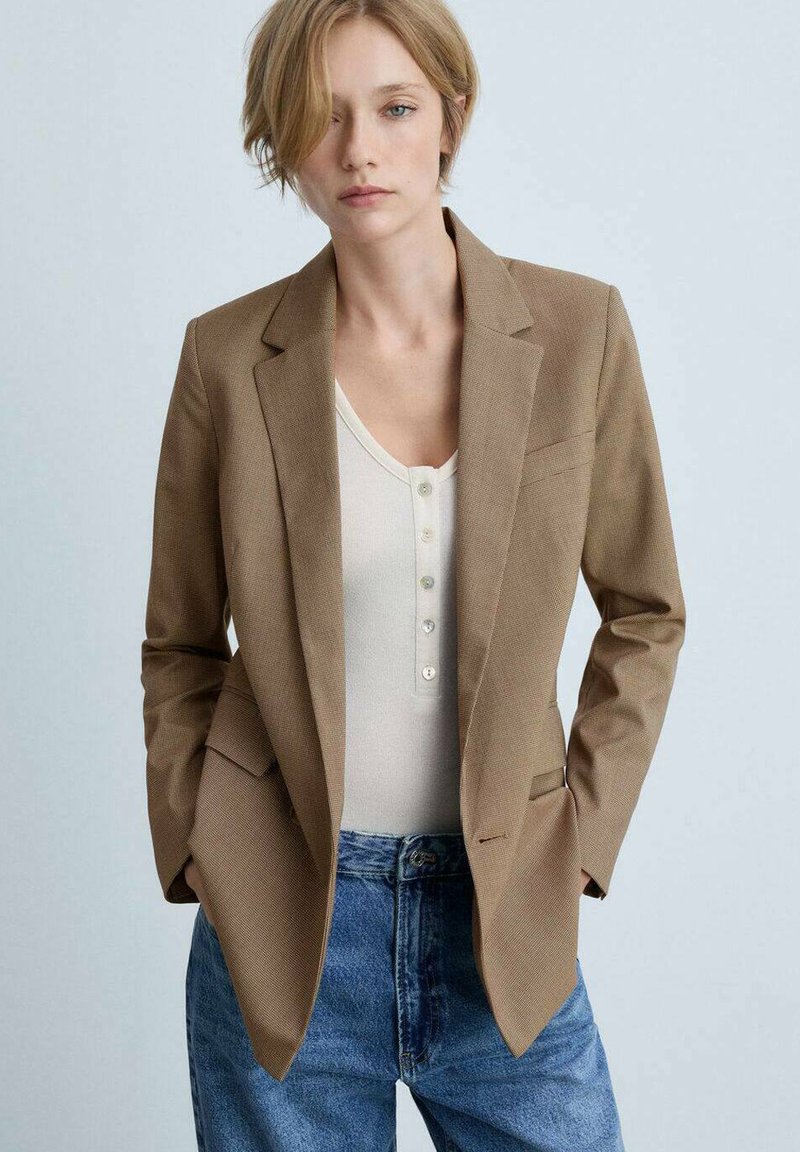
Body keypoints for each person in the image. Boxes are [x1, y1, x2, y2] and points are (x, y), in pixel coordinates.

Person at [141, 1, 686, 1147]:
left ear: (450, 117)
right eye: (320, 115)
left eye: (394, 108)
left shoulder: (577, 332)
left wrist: (578, 838)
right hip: (283, 921)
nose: (359, 150)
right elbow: (180, 642)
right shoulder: (226, 358)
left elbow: (644, 610)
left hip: (501, 919)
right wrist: (200, 841)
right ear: (278, 137)